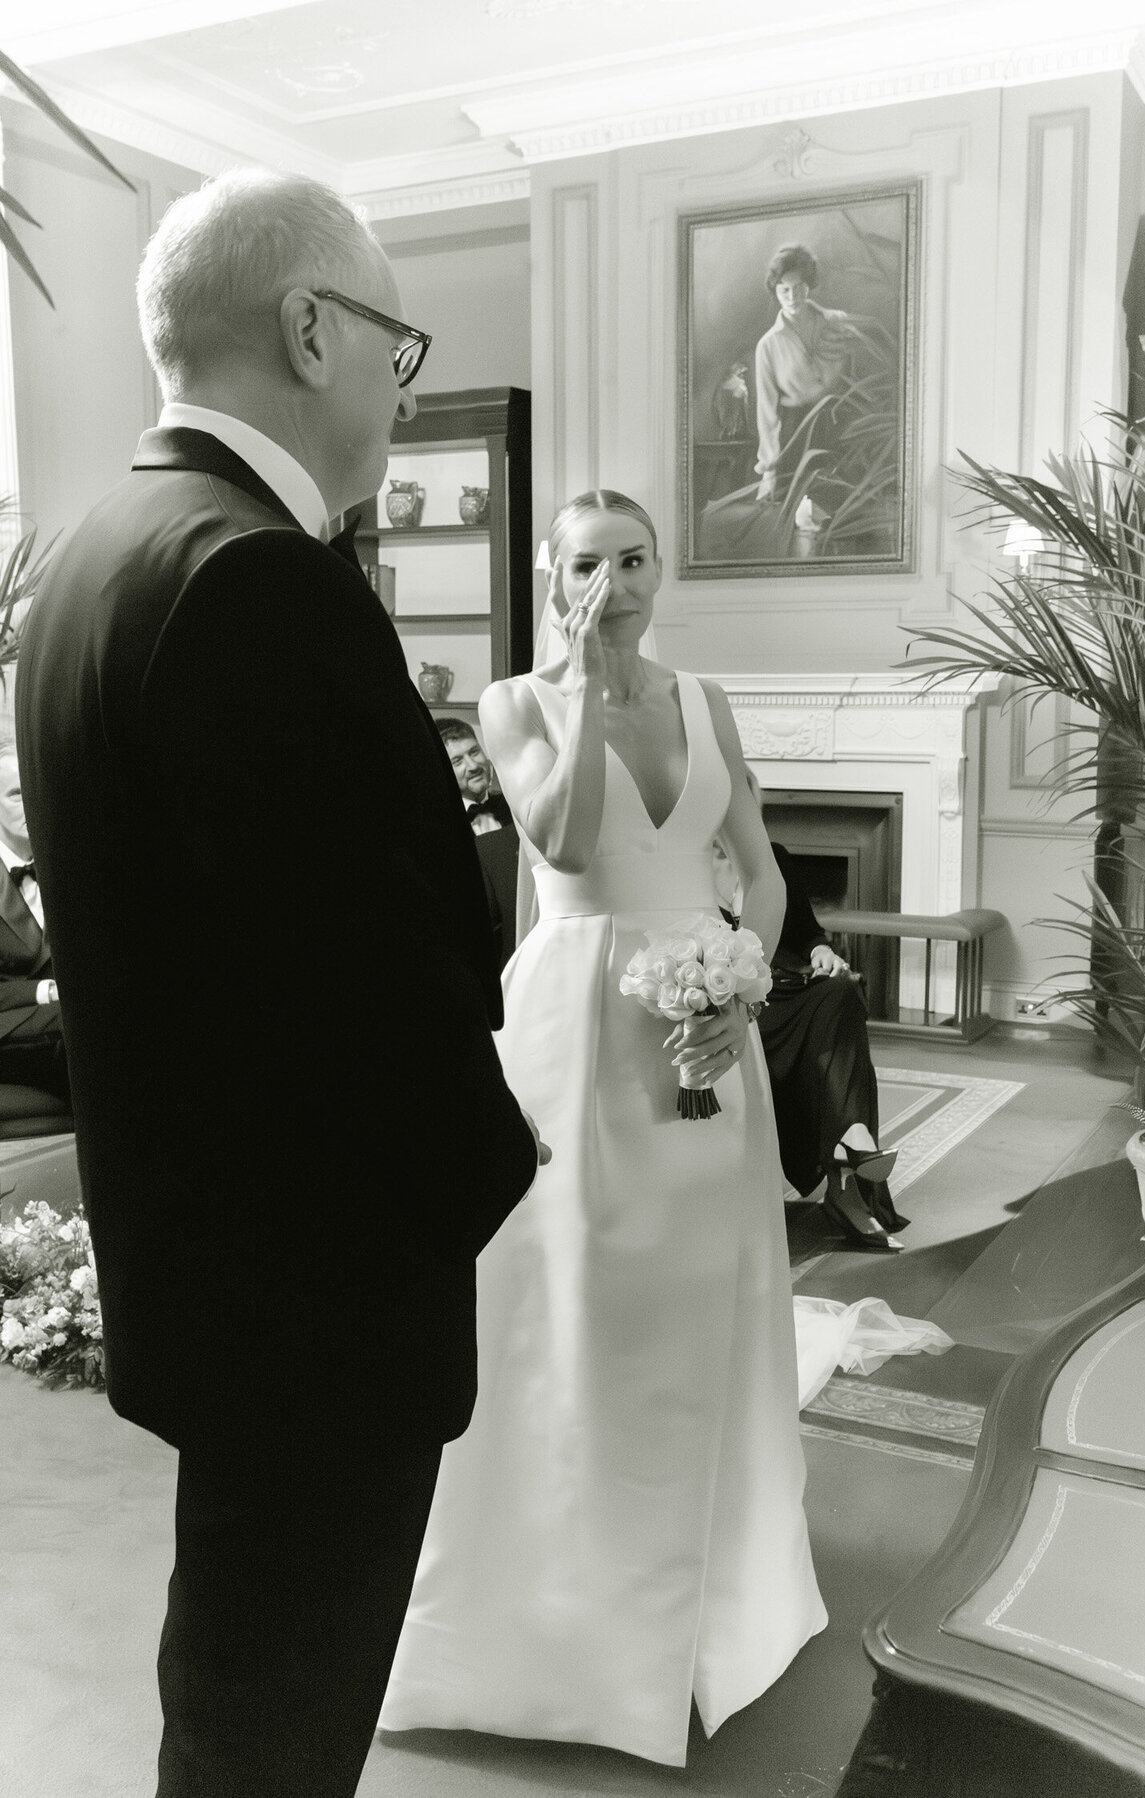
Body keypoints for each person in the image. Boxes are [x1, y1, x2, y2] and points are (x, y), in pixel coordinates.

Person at [16, 169, 543, 1798]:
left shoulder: (93, 553)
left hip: (208, 1264)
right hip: (320, 1297)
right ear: (312, 328)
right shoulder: (258, 576)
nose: (405, 387)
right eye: (398, 343)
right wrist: (498, 1164)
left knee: (234, 1682)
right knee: (276, 1730)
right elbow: (376, 983)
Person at [380, 488, 828, 1765]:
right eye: (586, 564)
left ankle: (714, 1591)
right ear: (550, 576)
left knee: (705, 1289)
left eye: (634, 561)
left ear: (659, 569)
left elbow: (760, 864)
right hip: (574, 1029)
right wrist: (580, 688)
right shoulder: (514, 703)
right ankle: (568, 1612)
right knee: (571, 1296)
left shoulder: (706, 702)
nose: (613, 586)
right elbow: (564, 838)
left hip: (706, 1024)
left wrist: (742, 978)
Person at [715, 795, 907, 1252]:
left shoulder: (772, 858)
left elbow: (806, 932)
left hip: (785, 988)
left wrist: (822, 951)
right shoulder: (681, 865)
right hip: (734, 1003)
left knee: (840, 991)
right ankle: (848, 1166)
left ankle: (852, 1141)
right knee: (834, 1017)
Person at [754, 243, 852, 508]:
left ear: (809, 284)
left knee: (840, 511)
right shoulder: (768, 345)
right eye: (784, 289)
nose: (792, 296)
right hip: (795, 436)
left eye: (799, 287)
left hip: (839, 426)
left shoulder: (838, 322)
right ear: (775, 291)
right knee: (799, 515)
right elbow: (766, 412)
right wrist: (770, 467)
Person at [0, 744, 68, 1103]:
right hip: (14, 1018)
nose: (30, 805)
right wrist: (48, 991)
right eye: (15, 795)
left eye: (33, 792)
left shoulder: (67, 857)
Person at [438, 717, 519, 965]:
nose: (473, 765)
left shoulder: (518, 807)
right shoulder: (441, 829)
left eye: (474, 752)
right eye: (457, 761)